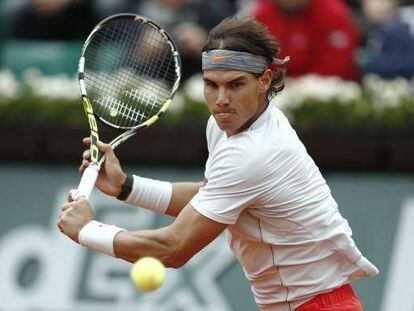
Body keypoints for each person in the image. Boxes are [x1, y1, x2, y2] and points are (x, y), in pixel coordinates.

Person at [58, 16, 378, 311]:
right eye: (211, 84)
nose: (221, 99)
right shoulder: (235, 122)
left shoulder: (254, 153)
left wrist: (87, 230)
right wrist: (127, 187)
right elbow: (211, 195)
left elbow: (173, 248)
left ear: (264, 80)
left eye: (235, 84)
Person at [250, 0, 361, 81]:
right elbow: (256, 59)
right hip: (276, 86)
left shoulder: (333, 12)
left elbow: (339, 63)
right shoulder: (262, 14)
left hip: (324, 87)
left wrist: (304, 84)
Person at [360, 0, 414, 78]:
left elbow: (407, 64)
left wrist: (368, 64)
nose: (371, 5)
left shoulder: (400, 29)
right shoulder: (372, 29)